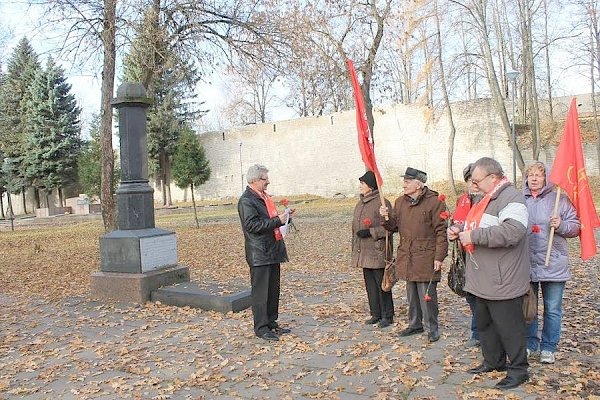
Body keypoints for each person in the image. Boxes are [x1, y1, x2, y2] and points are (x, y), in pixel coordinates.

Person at [447, 157, 530, 390]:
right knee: (485, 323)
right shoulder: (485, 199)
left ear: (493, 178)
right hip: (482, 277)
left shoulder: (511, 197)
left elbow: (513, 231)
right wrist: (460, 229)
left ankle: (518, 370)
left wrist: (473, 237)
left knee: (509, 327)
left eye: (477, 180)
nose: (473, 185)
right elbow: (478, 226)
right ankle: (493, 361)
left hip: (503, 279)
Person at [380, 167, 448, 343]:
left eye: (407, 181)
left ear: (418, 184)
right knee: (411, 294)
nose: (404, 184)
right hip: (407, 254)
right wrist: (386, 218)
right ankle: (415, 324)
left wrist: (439, 257)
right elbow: (393, 227)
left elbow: (441, 232)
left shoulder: (435, 202)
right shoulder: (400, 202)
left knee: (427, 295)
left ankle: (432, 328)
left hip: (426, 254)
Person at [523, 161, 580, 364]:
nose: (535, 179)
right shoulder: (520, 201)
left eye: (539, 175)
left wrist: (562, 224)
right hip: (527, 263)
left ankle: (548, 347)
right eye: (531, 175)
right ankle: (530, 344)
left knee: (552, 308)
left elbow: (575, 227)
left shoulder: (560, 199)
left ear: (546, 178)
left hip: (553, 263)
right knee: (528, 307)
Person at [238, 164, 295, 341]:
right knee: (261, 293)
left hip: (272, 250)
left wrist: (284, 218)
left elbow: (270, 220)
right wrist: (278, 220)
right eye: (265, 179)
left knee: (272, 290)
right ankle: (261, 327)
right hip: (259, 253)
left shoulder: (264, 197)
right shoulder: (247, 200)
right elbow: (252, 226)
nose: (268, 181)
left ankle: (271, 322)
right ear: (254, 180)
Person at [351, 171, 394, 329]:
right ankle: (375, 313)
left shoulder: (382, 202)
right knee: (370, 284)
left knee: (382, 284)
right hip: (364, 250)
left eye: (363, 183)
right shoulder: (360, 203)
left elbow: (390, 228)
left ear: (371, 186)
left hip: (377, 250)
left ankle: (387, 315)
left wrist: (371, 232)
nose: (360, 186)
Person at [452, 163, 483, 348]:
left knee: (481, 295)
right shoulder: (463, 200)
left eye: (476, 180)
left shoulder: (488, 200)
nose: (472, 183)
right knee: (470, 294)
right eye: (469, 180)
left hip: (482, 254)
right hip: (465, 254)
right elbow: (458, 221)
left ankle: (480, 331)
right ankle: (477, 329)